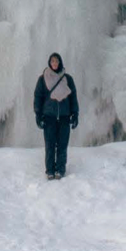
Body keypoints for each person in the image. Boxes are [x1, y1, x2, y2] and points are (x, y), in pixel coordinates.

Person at [33, 52, 79, 180]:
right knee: (50, 144)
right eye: (52, 61)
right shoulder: (43, 79)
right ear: (49, 63)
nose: (54, 63)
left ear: (60, 63)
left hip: (64, 116)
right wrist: (38, 115)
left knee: (62, 144)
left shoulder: (68, 79)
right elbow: (38, 97)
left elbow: (73, 98)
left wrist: (75, 114)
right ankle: (50, 171)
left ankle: (60, 169)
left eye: (56, 61)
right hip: (49, 117)